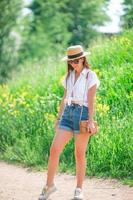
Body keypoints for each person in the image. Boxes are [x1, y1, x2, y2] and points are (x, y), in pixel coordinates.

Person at [38, 45, 100, 200]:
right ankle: (49, 185)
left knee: (79, 154)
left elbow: (91, 100)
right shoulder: (69, 76)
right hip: (68, 113)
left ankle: (79, 190)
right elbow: (64, 98)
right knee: (54, 149)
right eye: (71, 61)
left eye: (76, 60)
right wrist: (59, 118)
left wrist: (91, 120)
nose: (74, 63)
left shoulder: (90, 76)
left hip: (83, 114)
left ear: (83, 58)